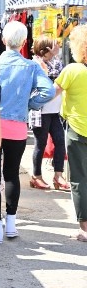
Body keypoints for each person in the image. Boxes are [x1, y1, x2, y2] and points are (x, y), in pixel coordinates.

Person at [0, 22, 55, 244]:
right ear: (24, 43)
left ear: (3, 40)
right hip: (17, 126)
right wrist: (29, 103)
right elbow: (49, 90)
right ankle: (11, 224)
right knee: (12, 174)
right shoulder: (31, 66)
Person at [54, 25, 87, 242]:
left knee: (79, 178)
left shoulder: (72, 70)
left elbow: (49, 93)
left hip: (77, 130)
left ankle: (85, 227)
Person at [30, 36, 69, 191]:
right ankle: (36, 176)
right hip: (40, 111)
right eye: (53, 47)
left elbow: (62, 74)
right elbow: (53, 76)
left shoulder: (52, 61)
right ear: (45, 50)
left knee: (60, 142)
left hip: (54, 110)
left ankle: (58, 175)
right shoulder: (36, 63)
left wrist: (55, 56)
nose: (56, 48)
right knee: (40, 144)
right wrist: (56, 56)